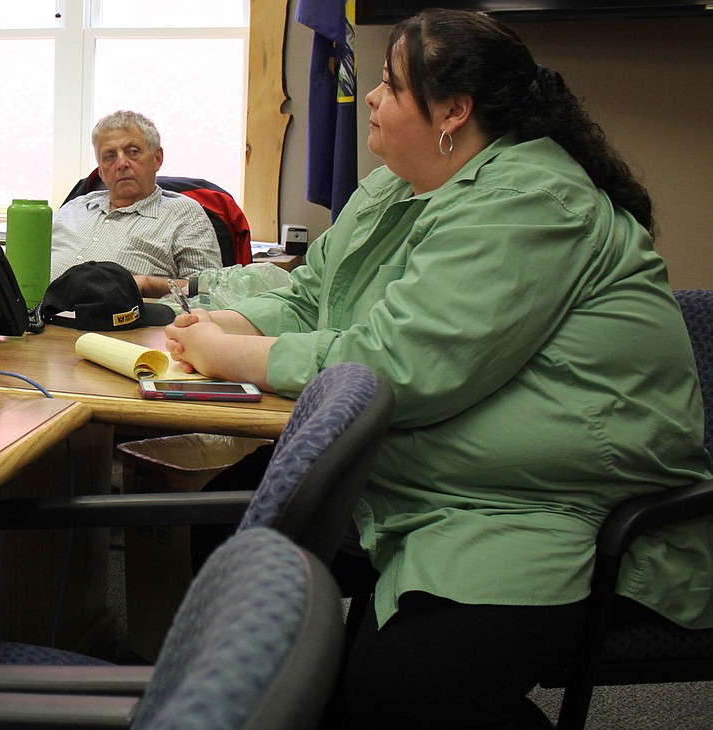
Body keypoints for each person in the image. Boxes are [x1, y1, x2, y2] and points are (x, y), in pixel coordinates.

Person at [166, 9, 712, 728]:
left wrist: (233, 355)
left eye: (391, 85)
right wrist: (220, 325)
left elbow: (402, 365)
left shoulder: (532, 203)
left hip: (546, 513)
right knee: (239, 517)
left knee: (396, 696)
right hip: (428, 487)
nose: (371, 97)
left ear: (453, 112)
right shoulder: (396, 187)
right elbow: (312, 298)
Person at [0, 110, 221, 298]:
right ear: (100, 167)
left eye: (133, 151)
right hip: (33, 326)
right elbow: (10, 271)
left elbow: (214, 293)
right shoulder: (75, 207)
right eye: (110, 156)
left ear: (158, 158)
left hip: (114, 334)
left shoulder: (184, 214)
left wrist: (148, 285)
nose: (121, 163)